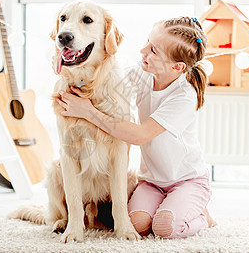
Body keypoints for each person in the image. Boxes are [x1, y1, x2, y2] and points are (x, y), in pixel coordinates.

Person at [55, 16, 217, 239]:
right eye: (147, 42)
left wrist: (88, 112)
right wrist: (71, 65)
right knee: (137, 225)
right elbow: (105, 80)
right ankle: (167, 205)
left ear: (177, 67)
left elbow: (140, 135)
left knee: (165, 228)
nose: (143, 51)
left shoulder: (184, 96)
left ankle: (202, 217)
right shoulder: (142, 73)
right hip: (151, 182)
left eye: (153, 50)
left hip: (186, 180)